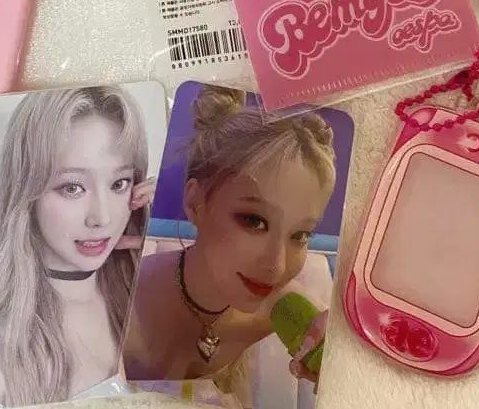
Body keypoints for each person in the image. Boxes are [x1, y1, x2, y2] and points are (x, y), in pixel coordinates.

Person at [123, 86, 336, 407]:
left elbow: (332, 339)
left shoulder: (278, 304)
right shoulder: (121, 303)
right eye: (254, 221)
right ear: (195, 201)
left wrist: (341, 351)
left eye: (300, 234)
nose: (277, 266)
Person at [0, 86, 154, 408]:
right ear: (26, 191)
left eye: (119, 184)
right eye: (72, 188)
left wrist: (184, 246)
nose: (102, 218)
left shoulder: (146, 293)